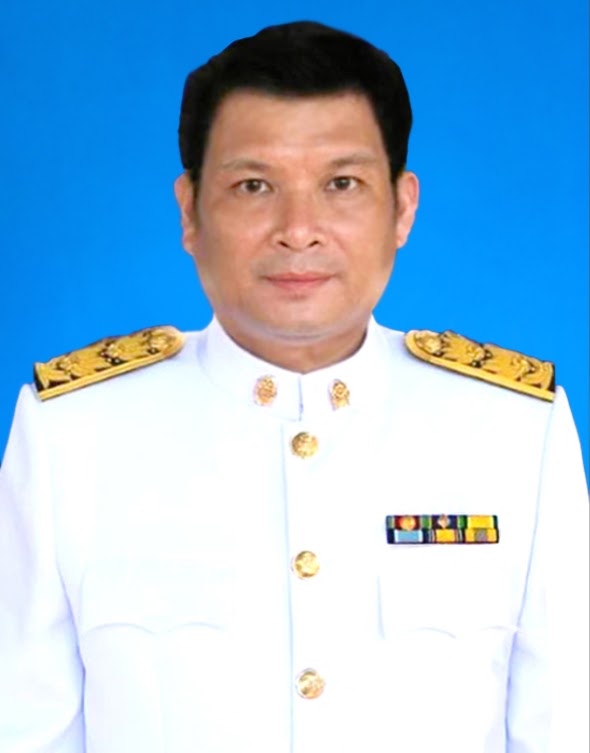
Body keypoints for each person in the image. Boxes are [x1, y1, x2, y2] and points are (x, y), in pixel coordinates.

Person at [0, 20, 587, 753]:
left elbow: (567, 729)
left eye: (342, 184)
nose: (299, 230)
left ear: (402, 208)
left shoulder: (515, 432)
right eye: (254, 186)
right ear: (189, 211)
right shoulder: (71, 435)